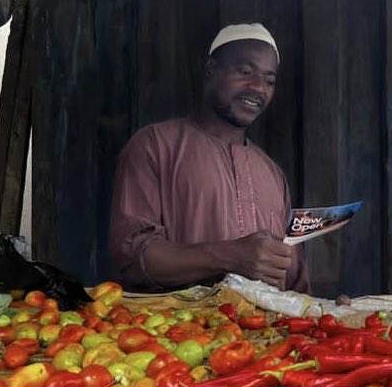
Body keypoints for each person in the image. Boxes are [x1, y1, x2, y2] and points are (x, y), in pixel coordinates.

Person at [109, 23, 308, 293]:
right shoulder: (155, 146)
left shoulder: (272, 174)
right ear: (211, 69)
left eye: (269, 81)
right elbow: (133, 258)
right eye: (245, 72)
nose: (258, 88)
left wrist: (327, 309)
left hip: (264, 323)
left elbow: (294, 285)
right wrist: (230, 256)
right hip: (176, 321)